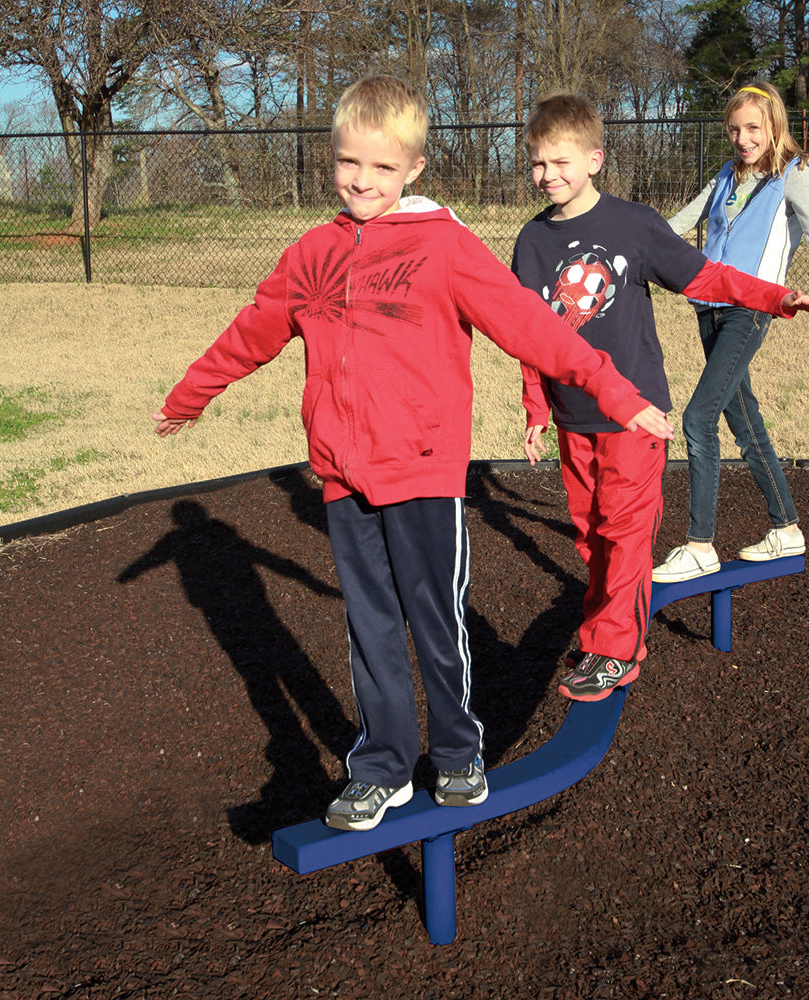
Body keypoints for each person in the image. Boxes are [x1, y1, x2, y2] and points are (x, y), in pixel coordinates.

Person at [151, 75, 677, 833]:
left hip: (425, 471)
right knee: (370, 626)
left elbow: (532, 327)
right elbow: (255, 328)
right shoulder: (314, 254)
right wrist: (194, 392)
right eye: (349, 165)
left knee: (435, 617)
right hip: (342, 474)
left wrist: (617, 391)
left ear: (414, 171)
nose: (363, 182)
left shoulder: (442, 246)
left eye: (382, 168)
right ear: (332, 159)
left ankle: (459, 750)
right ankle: (384, 765)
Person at [512, 93, 809, 703]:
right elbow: (530, 334)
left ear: (595, 159)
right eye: (537, 164)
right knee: (590, 533)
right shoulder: (532, 243)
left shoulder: (633, 225)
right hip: (575, 419)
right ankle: (611, 627)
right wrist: (535, 411)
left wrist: (775, 297)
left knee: (627, 531)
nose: (548, 175)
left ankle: (614, 650)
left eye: (561, 162)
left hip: (636, 414)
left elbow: (705, 275)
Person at [653, 81, 809, 586]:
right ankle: (786, 528)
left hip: (750, 311)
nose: (743, 139)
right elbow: (677, 223)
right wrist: (624, 240)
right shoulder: (727, 174)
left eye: (753, 129)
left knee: (699, 419)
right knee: (743, 421)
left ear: (774, 126)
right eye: (735, 129)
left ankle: (700, 545)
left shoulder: (794, 173)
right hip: (709, 309)